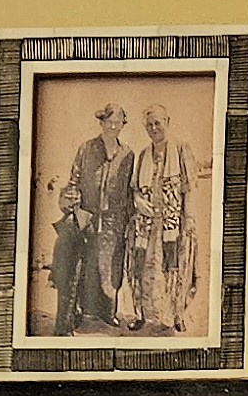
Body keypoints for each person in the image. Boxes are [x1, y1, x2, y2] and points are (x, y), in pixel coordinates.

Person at [50, 103, 131, 334]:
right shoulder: (86, 148)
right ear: (101, 123)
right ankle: (76, 314)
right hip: (86, 215)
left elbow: (129, 189)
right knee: (81, 266)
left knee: (110, 267)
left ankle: (107, 312)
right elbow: (73, 180)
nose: (113, 126)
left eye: (117, 122)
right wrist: (75, 207)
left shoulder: (128, 154)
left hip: (113, 220)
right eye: (109, 122)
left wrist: (127, 219)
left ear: (122, 125)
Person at [130, 104, 196, 334]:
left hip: (173, 221)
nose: (153, 128)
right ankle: (142, 314)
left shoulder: (181, 149)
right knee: (143, 267)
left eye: (157, 123)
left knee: (174, 267)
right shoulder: (143, 155)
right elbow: (135, 189)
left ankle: (176, 315)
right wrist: (139, 201)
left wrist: (188, 219)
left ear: (167, 122)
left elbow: (188, 187)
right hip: (147, 223)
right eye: (149, 125)